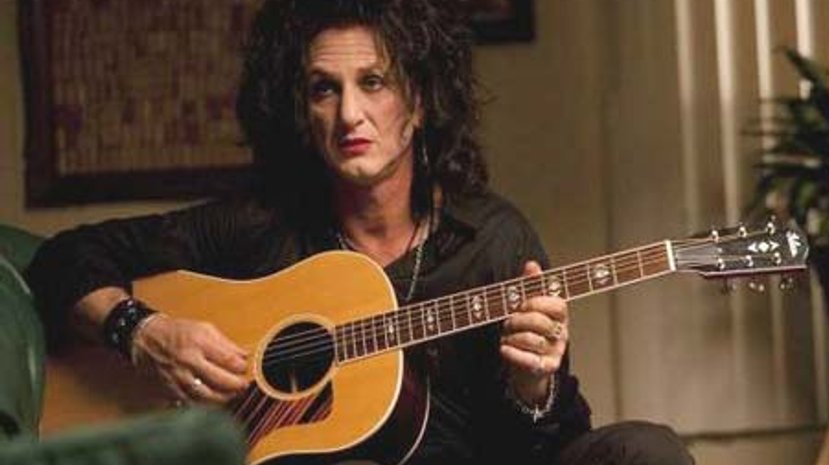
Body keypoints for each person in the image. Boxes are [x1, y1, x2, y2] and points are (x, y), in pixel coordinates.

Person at [26, 1, 694, 464]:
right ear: (303, 109)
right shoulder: (261, 227)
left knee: (647, 450)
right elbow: (63, 258)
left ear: (419, 101)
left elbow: (556, 441)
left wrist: (532, 389)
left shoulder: (492, 237)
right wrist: (143, 333)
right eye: (324, 89)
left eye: (373, 82)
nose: (350, 113)